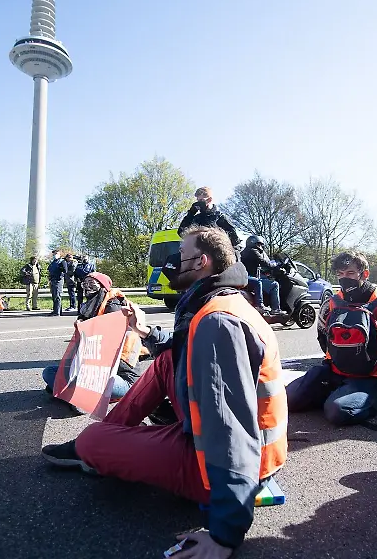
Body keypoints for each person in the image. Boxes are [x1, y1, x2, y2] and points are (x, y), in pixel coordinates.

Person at [41, 226, 287, 556]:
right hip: (242, 447)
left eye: (180, 255)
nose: (171, 263)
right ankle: (115, 433)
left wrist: (225, 533)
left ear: (201, 261)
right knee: (167, 360)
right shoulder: (222, 300)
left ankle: (101, 443)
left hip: (225, 466)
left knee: (91, 442)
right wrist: (145, 331)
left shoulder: (218, 322)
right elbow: (184, 346)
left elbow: (230, 429)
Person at [287, 252, 377, 425]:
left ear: (364, 274)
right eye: (340, 274)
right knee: (286, 400)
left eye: (350, 273)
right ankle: (338, 393)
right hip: (333, 371)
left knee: (338, 413)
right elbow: (323, 339)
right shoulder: (331, 303)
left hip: (370, 376)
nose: (344, 278)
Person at [41, 272, 143, 402]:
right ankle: (72, 390)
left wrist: (87, 329)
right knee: (49, 372)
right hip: (95, 370)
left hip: (121, 376)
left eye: (92, 283)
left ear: (102, 286)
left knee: (81, 378)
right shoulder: (90, 306)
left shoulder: (114, 306)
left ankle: (76, 394)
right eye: (85, 283)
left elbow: (107, 340)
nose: (87, 287)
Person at [240, 235, 283, 315]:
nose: (260, 246)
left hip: (244, 277)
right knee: (274, 284)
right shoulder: (253, 251)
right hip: (249, 278)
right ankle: (274, 309)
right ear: (254, 243)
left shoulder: (244, 252)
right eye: (259, 244)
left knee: (260, 281)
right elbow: (263, 262)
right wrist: (275, 265)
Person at [47, 250, 68, 316]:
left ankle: (57, 312)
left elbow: (65, 270)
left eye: (56, 254)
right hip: (53, 280)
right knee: (54, 296)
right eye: (53, 254)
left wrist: (59, 268)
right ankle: (56, 310)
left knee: (57, 296)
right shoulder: (53, 262)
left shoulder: (62, 261)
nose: (54, 255)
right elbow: (49, 270)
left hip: (58, 280)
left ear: (59, 254)